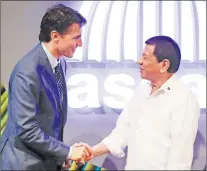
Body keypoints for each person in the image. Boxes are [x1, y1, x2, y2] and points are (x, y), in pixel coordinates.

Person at [85, 35, 200, 170]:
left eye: (145, 58)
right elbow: (121, 134)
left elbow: (180, 157)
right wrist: (91, 152)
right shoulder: (142, 91)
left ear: (164, 65)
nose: (139, 61)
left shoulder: (183, 98)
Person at [0, 3, 92, 170]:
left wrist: (61, 154)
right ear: (55, 36)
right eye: (76, 37)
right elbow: (27, 129)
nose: (80, 44)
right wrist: (69, 152)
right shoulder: (27, 71)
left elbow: (51, 121)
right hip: (24, 164)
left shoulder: (60, 63)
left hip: (45, 161)